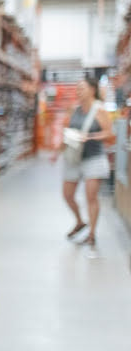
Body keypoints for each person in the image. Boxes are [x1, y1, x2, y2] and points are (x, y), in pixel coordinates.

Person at [59, 74, 115, 249]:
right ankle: (79, 221)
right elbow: (66, 131)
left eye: (82, 88)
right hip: (74, 157)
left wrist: (90, 136)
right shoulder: (74, 110)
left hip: (94, 157)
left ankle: (92, 234)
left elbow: (110, 134)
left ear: (92, 90)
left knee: (91, 197)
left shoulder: (100, 111)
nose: (78, 91)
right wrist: (57, 151)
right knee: (67, 194)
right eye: (77, 88)